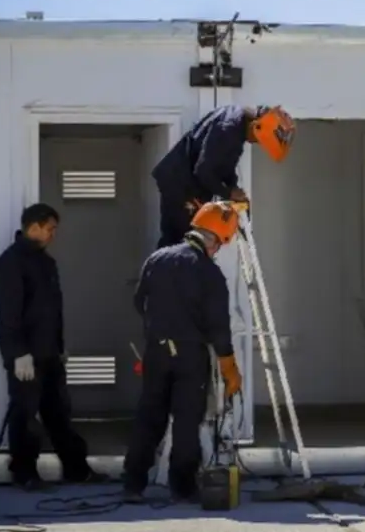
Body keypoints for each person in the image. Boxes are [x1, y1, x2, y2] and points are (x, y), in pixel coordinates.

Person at [122, 201, 245, 503]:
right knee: (187, 421)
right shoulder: (209, 273)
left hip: (156, 350)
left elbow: (139, 302)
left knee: (149, 416)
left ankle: (133, 484)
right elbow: (218, 326)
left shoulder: (157, 258)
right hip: (189, 355)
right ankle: (183, 486)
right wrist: (229, 367)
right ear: (216, 240)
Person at [0, 203, 105, 491]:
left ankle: (76, 469)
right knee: (25, 416)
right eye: (50, 229)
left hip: (49, 353)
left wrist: (59, 346)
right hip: (26, 357)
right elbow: (9, 314)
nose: (53, 235)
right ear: (34, 227)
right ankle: (25, 473)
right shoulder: (10, 263)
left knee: (59, 414)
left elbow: (53, 311)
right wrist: (18, 354)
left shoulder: (45, 263)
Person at [151, 105, 295, 248]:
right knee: (179, 242)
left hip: (186, 182)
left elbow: (226, 168)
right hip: (179, 183)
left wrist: (234, 190)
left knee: (189, 244)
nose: (255, 142)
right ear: (255, 126)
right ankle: (166, 263)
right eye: (258, 139)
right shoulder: (227, 129)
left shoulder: (236, 124)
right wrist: (229, 193)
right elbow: (203, 170)